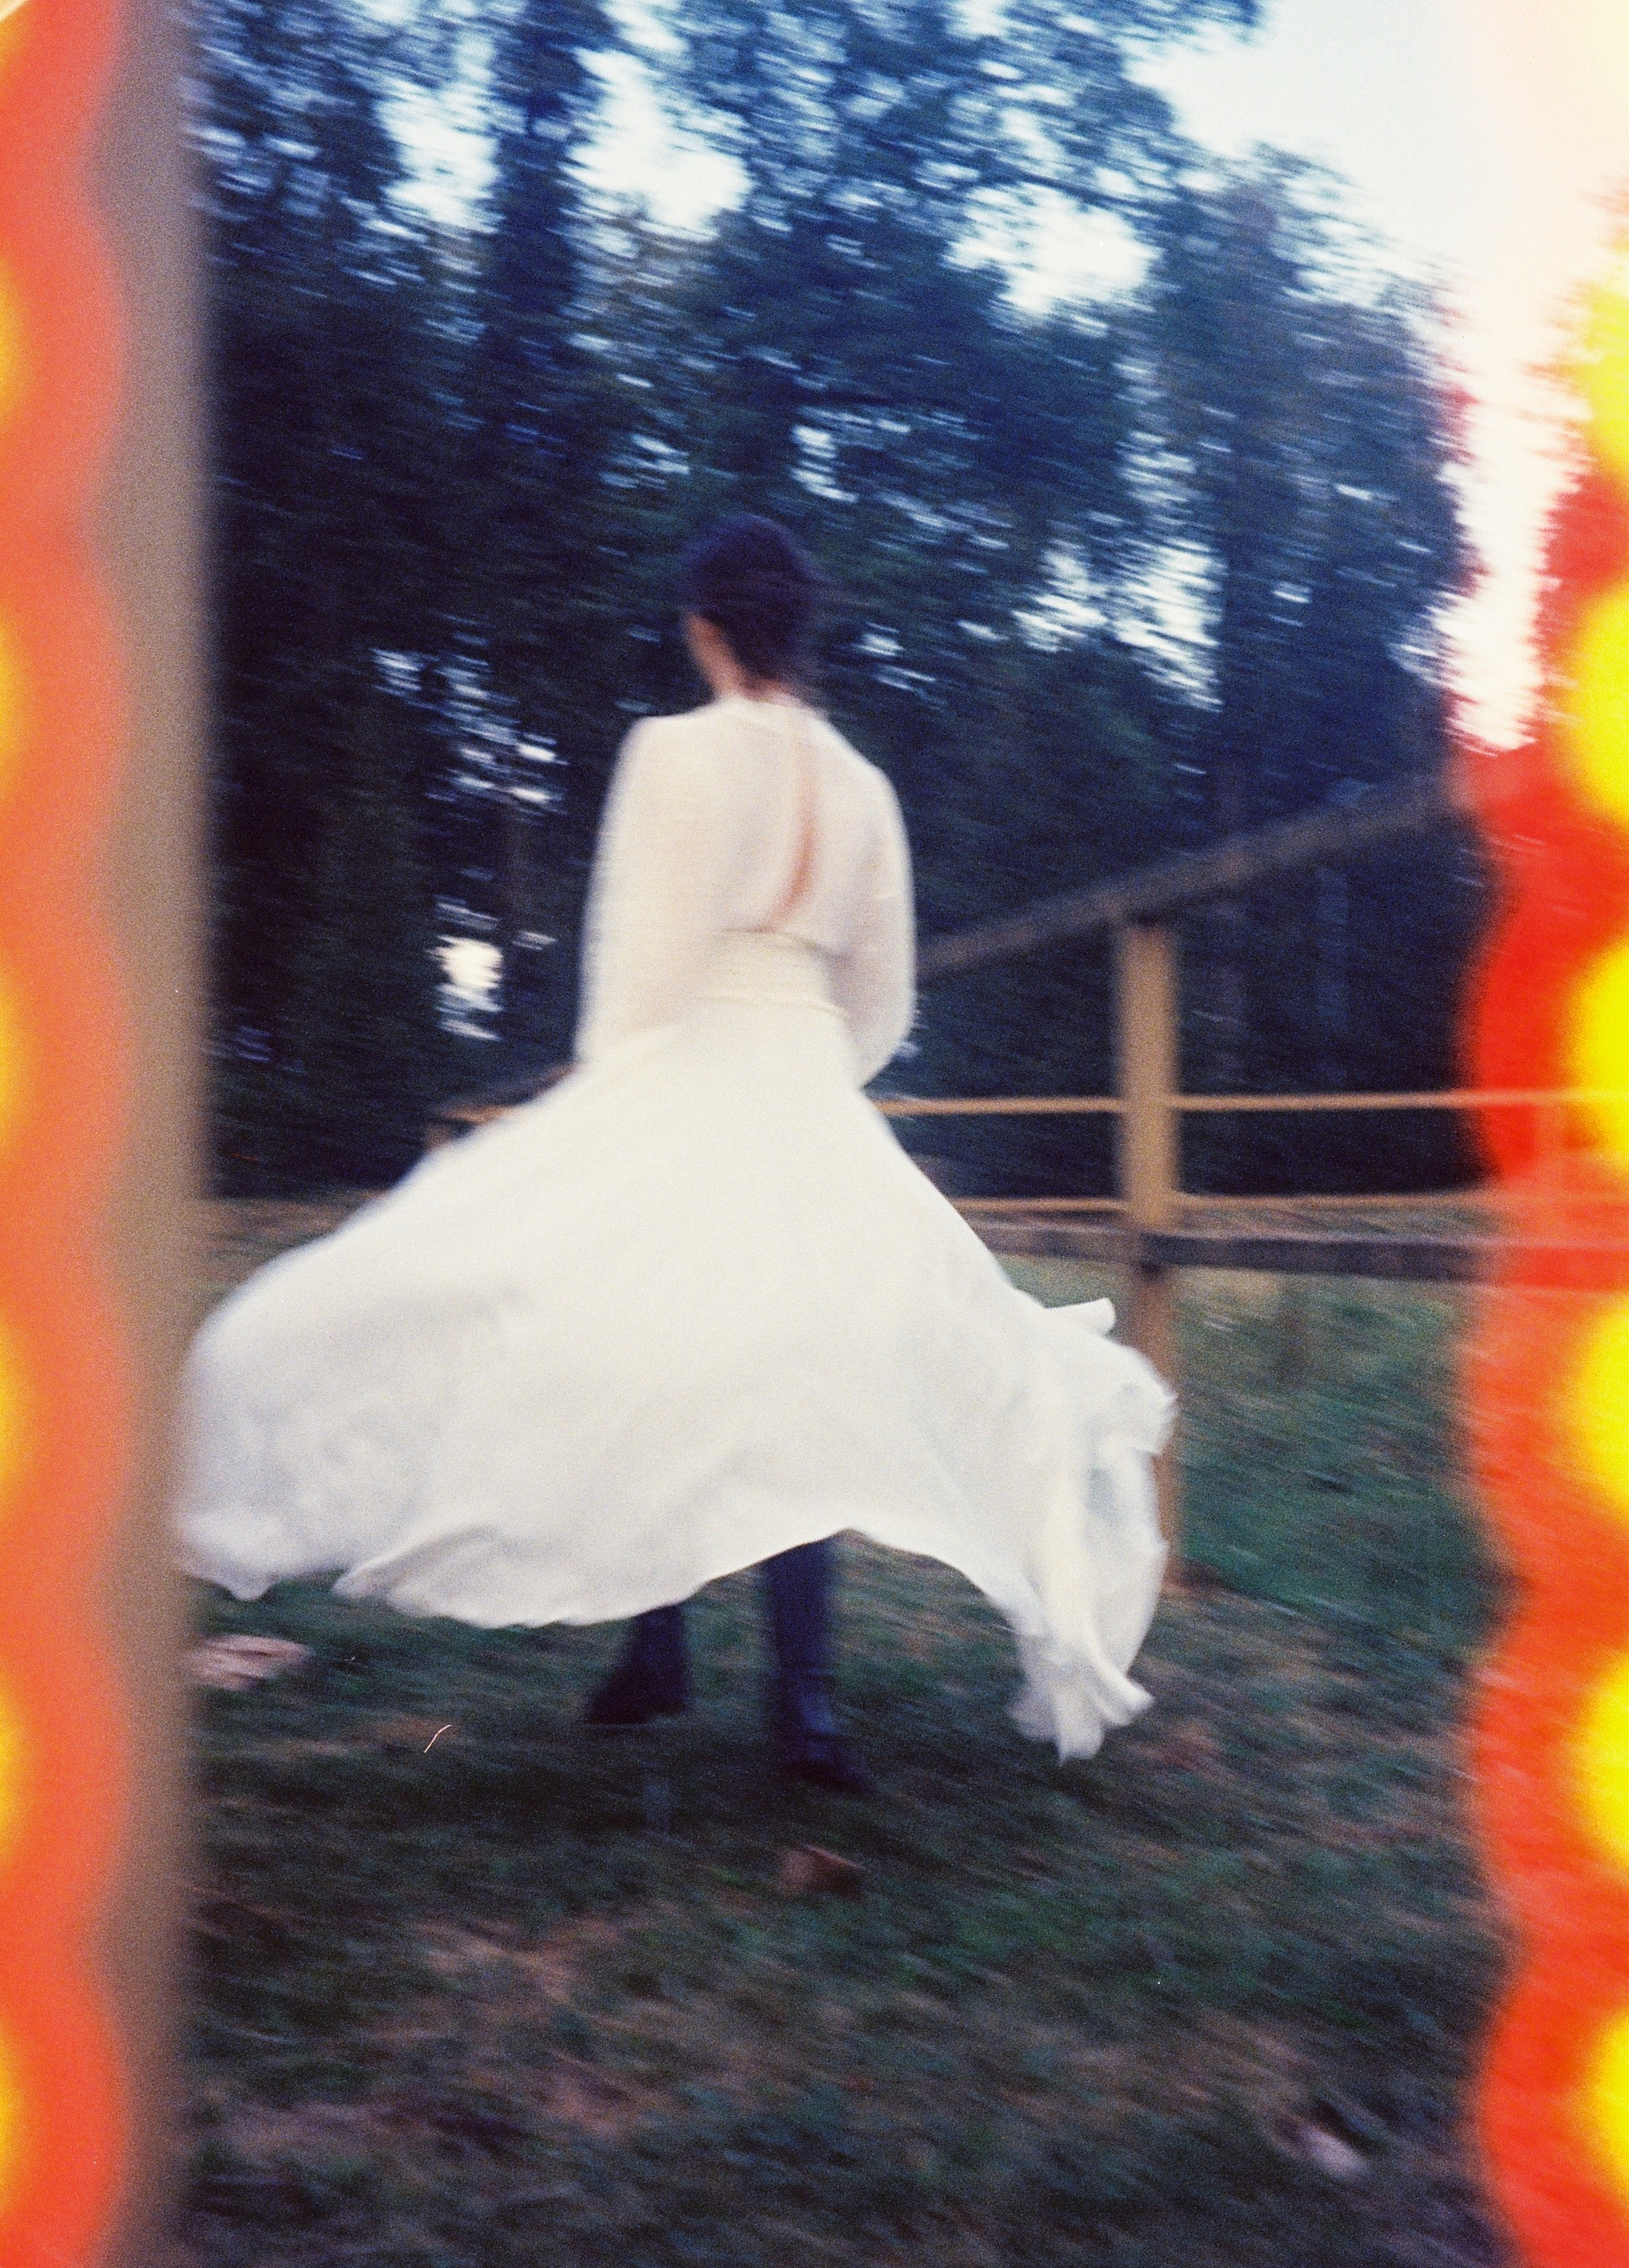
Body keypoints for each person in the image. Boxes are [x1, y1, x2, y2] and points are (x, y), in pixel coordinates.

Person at [176, 516, 1173, 1791]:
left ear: (703, 629)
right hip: (809, 1093)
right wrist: (812, 1073)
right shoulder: (864, 787)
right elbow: (883, 1001)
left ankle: (667, 1652)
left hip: (691, 1069)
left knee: (651, 1341)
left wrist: (615, 1105)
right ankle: (795, 1702)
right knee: (803, 1368)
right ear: (802, 630)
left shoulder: (672, 754)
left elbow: (638, 966)